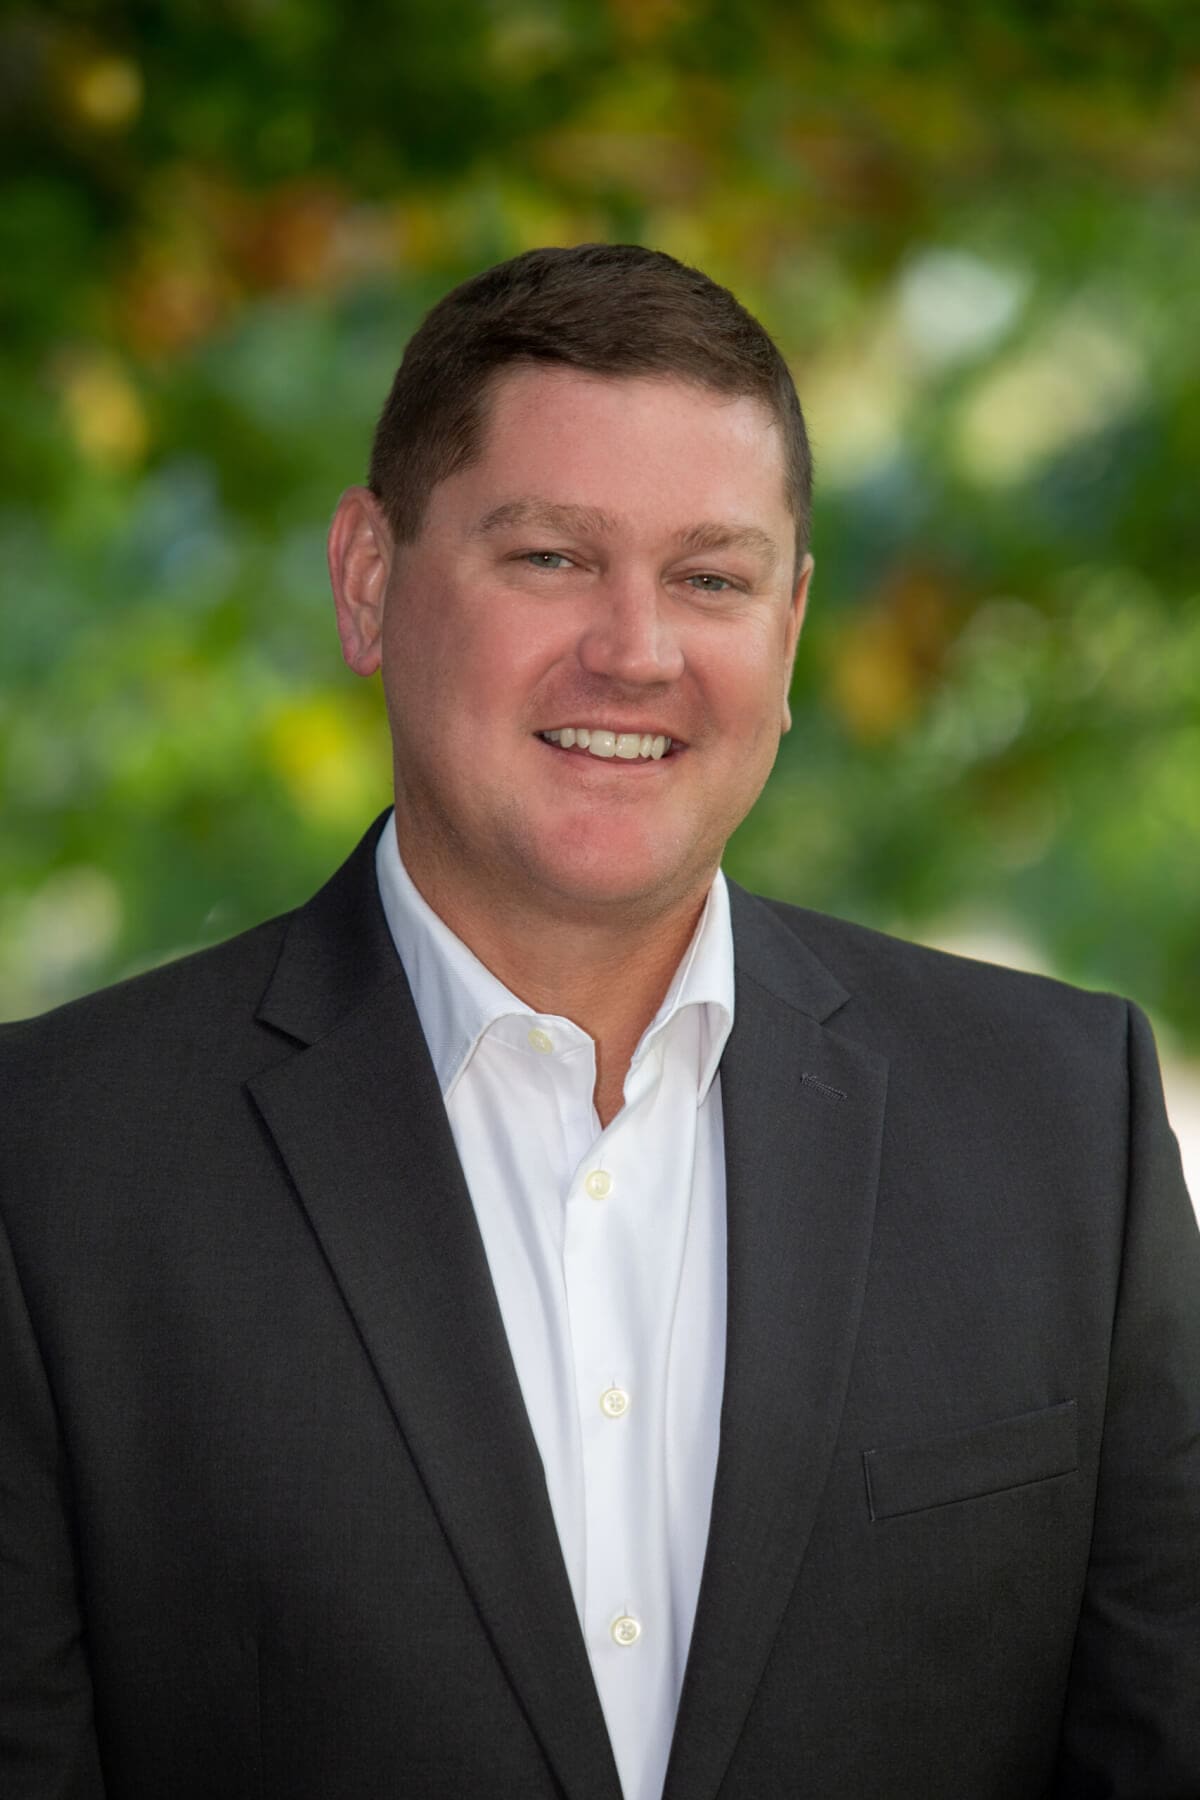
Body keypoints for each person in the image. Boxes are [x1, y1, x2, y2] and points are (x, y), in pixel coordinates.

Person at [1, 244, 1197, 1800]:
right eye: (554, 557)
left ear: (791, 628)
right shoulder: (52, 1171)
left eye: (711, 576)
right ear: (370, 580)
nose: (637, 649)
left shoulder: (1063, 1128)